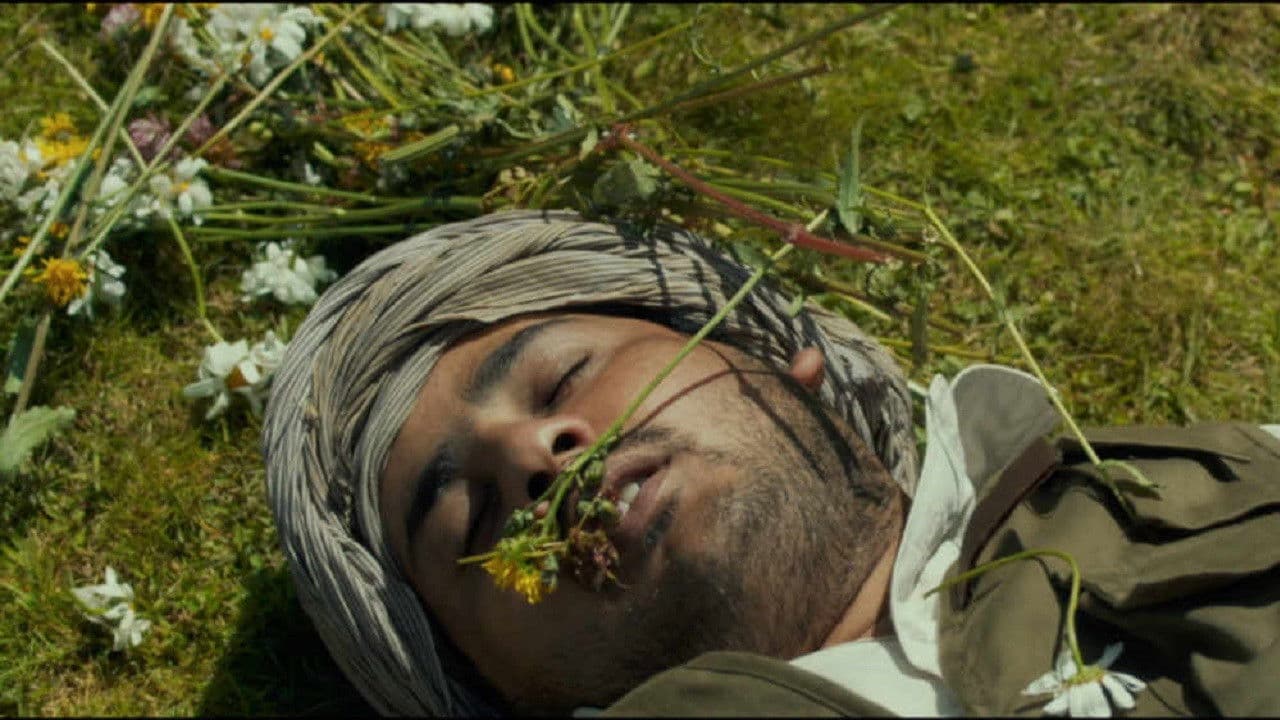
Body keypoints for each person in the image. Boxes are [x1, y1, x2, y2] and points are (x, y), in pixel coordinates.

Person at [262, 209, 1280, 717]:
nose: (531, 454)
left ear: (778, 362)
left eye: (566, 375)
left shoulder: (1226, 482)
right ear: (487, 684)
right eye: (471, 520)